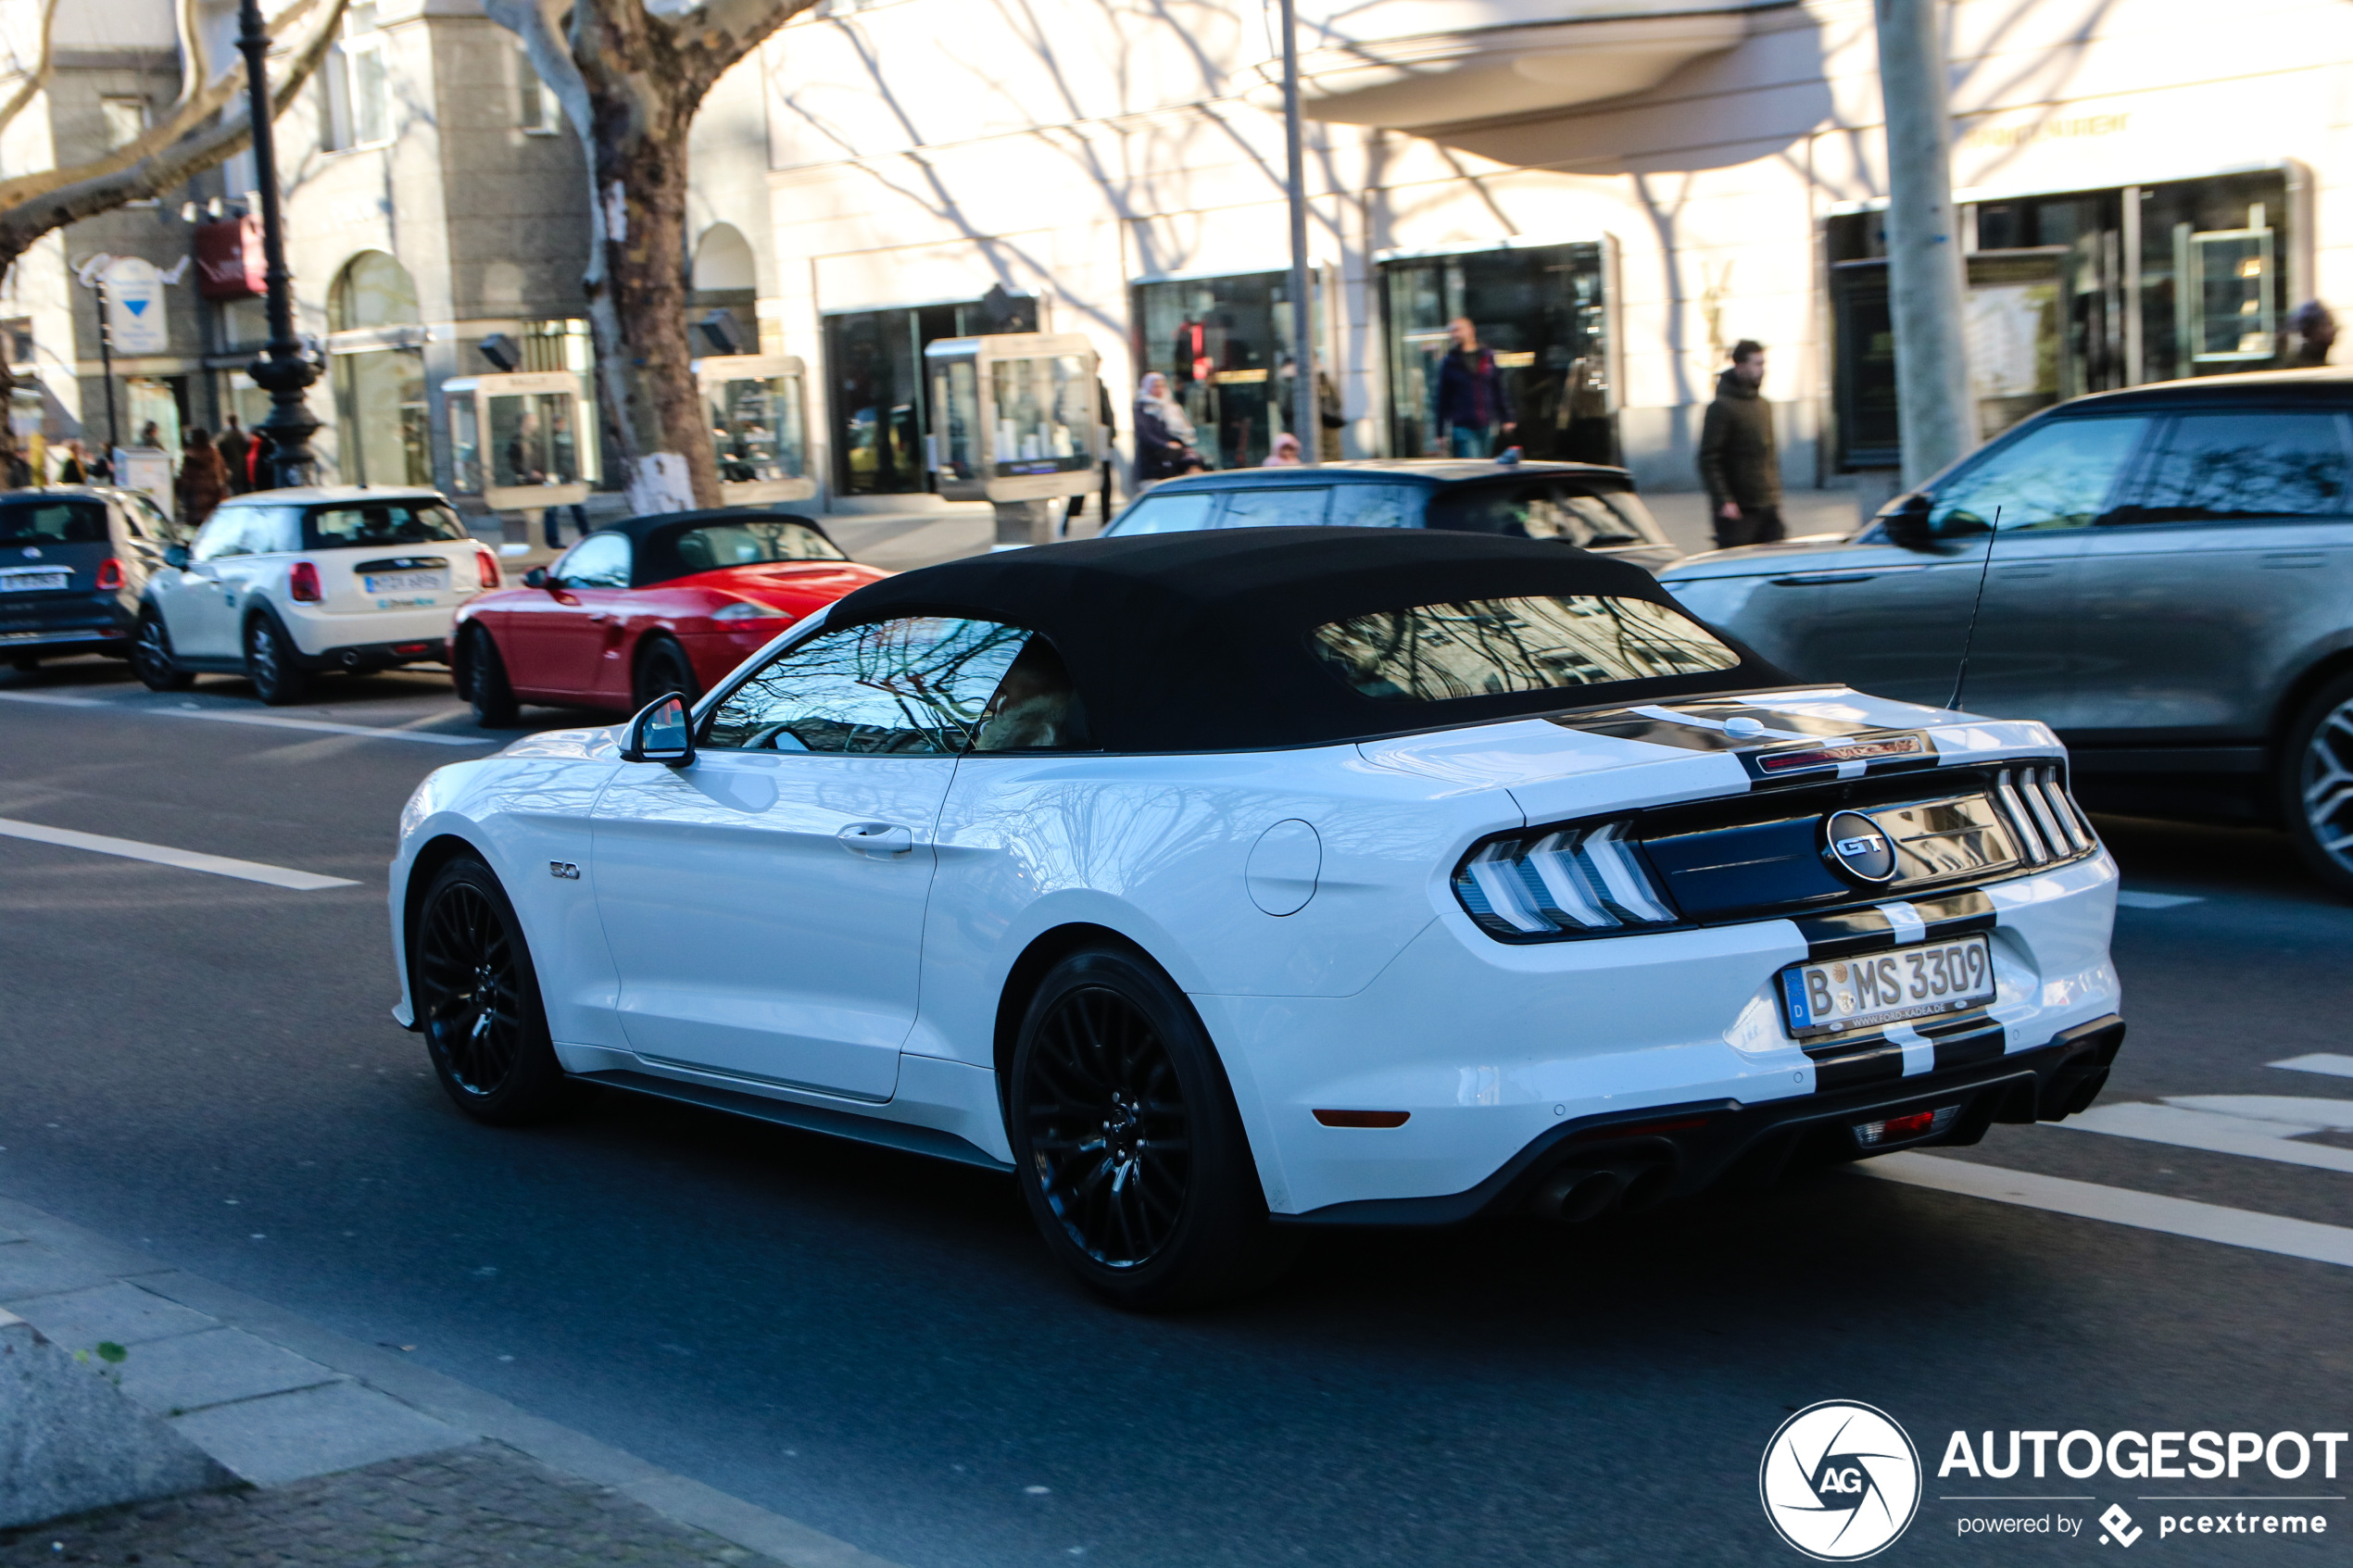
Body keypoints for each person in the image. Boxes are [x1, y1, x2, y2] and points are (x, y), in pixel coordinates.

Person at [1698, 339, 1783, 549]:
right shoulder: (1722, 407)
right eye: (1757, 364)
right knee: (1735, 570)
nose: (1762, 370)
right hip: (1738, 511)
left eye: (1763, 364)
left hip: (1767, 505)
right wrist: (1724, 500)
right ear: (1740, 366)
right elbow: (1709, 459)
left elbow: (1768, 455)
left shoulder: (1763, 405)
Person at [1435, 317, 1514, 458]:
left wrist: (1506, 418)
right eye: (1452, 331)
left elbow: (1497, 389)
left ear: (1471, 330)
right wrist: (1439, 431)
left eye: (1458, 330)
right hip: (1462, 424)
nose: (1455, 334)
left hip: (1486, 422)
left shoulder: (1487, 357)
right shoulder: (1450, 362)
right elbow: (1443, 397)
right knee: (1473, 463)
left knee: (1484, 464)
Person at [1132, 371, 1196, 490]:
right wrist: (1165, 444)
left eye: (1162, 386)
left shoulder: (1171, 407)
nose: (1159, 390)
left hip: (1172, 463)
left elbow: (1182, 433)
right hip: (1153, 464)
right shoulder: (1143, 407)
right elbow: (1144, 434)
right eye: (1155, 386)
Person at [173, 428, 230, 529]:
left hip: (194, 505)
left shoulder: (188, 456)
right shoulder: (215, 454)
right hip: (212, 502)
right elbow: (224, 475)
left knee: (196, 536)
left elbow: (183, 482)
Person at [2284, 300, 2336, 367]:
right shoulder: (2297, 367)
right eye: (2327, 325)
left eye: (2332, 324)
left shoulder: (2323, 365)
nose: (2333, 330)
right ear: (2310, 330)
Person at [216, 417, 250, 495]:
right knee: (243, 487)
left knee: (235, 488)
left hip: (231, 464)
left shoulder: (225, 435)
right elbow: (247, 446)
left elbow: (220, 447)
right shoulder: (240, 434)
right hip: (242, 463)